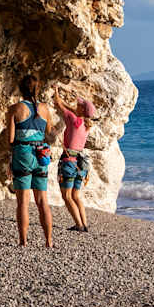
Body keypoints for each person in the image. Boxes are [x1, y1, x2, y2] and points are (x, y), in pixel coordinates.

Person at [6, 74, 53, 247]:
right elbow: (49, 131)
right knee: (42, 201)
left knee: (23, 202)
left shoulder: (15, 109)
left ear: (20, 89)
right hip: (41, 154)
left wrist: (9, 159)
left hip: (23, 154)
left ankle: (23, 241)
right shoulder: (45, 108)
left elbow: (11, 139)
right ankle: (48, 241)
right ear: (37, 89)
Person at [52, 87, 96, 232]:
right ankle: (84, 224)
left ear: (82, 109)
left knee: (67, 196)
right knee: (76, 195)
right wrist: (71, 106)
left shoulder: (72, 119)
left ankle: (79, 225)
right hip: (81, 163)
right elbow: (72, 110)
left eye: (79, 105)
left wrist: (56, 90)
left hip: (69, 161)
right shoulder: (86, 125)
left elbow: (58, 103)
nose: (76, 105)